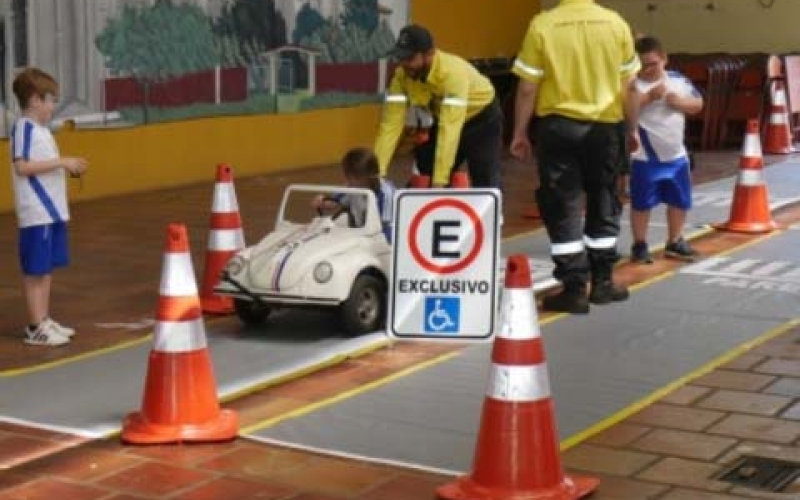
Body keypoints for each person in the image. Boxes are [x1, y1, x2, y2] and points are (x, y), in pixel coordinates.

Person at [509, 0, 640, 314]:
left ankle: (574, 288)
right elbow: (631, 86)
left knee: (563, 204)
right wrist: (631, 128)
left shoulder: (543, 25)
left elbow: (528, 88)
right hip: (606, 128)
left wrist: (519, 132)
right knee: (605, 199)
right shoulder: (615, 23)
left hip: (559, 128)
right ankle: (604, 283)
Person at [10, 67, 88, 345]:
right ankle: (35, 327)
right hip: (36, 212)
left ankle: (43, 319)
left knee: (45, 269)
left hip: (51, 211)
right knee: (35, 271)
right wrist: (62, 162)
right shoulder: (24, 128)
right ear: (34, 100)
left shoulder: (41, 131)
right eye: (51, 100)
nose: (53, 106)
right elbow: (22, 167)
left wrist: (67, 167)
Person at [374, 24, 503, 189]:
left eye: (410, 58)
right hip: (444, 117)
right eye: (401, 58)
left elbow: (449, 129)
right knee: (425, 171)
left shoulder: (451, 74)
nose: (404, 64)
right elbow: (390, 126)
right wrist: (376, 173)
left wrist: (439, 183)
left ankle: (490, 211)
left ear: (429, 54)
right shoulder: (401, 78)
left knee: (484, 177)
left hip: (482, 120)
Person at [629, 36, 703, 264]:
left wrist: (678, 103)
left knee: (679, 200)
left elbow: (698, 104)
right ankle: (640, 245)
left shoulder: (678, 81)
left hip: (676, 155)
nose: (648, 69)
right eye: (643, 64)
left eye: (653, 63)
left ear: (664, 59)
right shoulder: (633, 85)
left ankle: (675, 241)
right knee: (641, 203)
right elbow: (624, 112)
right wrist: (649, 97)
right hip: (644, 157)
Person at [313, 147, 395, 242]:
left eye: (351, 177)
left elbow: (387, 228)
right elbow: (334, 202)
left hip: (379, 237)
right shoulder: (352, 187)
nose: (348, 181)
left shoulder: (386, 194)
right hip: (358, 233)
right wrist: (321, 202)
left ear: (367, 176)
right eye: (347, 176)